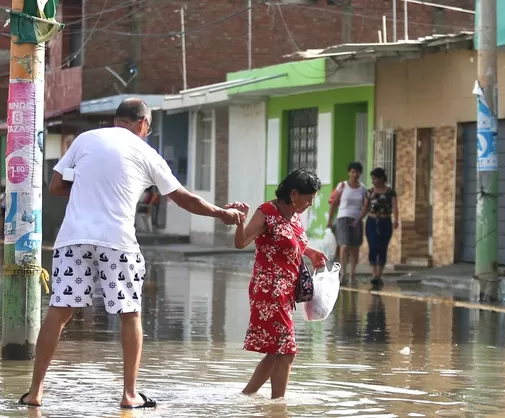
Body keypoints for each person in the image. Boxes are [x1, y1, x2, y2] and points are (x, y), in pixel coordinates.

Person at [19, 98, 247, 409]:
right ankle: (129, 395)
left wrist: (90, 188)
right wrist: (221, 213)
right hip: (117, 242)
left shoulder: (85, 140)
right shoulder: (145, 152)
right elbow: (183, 198)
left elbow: (56, 186)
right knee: (130, 315)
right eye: (148, 129)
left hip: (73, 239)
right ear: (142, 123)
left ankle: (35, 392)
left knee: (58, 312)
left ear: (117, 119)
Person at [234, 168, 328, 399]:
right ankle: (278, 407)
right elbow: (242, 241)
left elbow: (290, 244)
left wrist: (310, 252)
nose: (310, 204)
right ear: (294, 193)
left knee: (276, 352)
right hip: (269, 290)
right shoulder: (267, 212)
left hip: (287, 292)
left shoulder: (294, 215)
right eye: (309, 199)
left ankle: (246, 396)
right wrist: (240, 223)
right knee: (286, 352)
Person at [355, 168, 399, 288]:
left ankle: (379, 275)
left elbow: (395, 207)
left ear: (381, 178)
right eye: (372, 179)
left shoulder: (390, 192)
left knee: (382, 247)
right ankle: (374, 274)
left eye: (375, 178)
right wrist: (358, 220)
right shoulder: (369, 193)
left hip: (385, 221)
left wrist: (396, 219)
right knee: (373, 247)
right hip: (372, 221)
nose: (373, 181)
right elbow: (365, 208)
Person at [327, 162, 367, 283]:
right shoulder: (343, 186)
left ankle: (352, 275)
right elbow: (334, 203)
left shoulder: (363, 188)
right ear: (349, 172)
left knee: (355, 248)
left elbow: (366, 205)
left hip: (357, 219)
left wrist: (360, 218)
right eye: (352, 172)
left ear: (360, 173)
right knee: (344, 246)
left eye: (357, 172)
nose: (354, 174)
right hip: (343, 218)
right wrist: (329, 219)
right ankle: (343, 273)